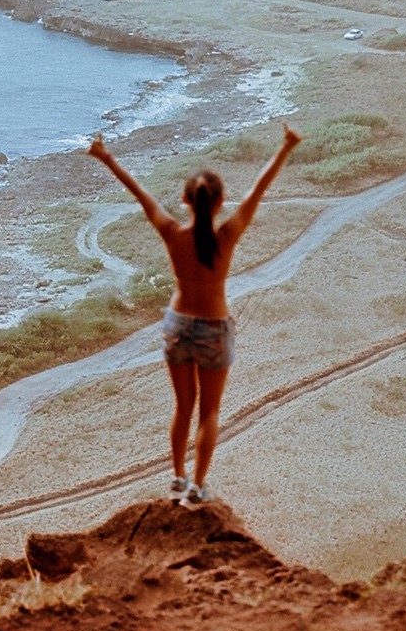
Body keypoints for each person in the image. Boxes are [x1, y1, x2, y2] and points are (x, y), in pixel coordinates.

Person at [87, 125, 301, 505]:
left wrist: (107, 158)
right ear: (220, 203)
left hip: (177, 325)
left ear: (186, 199)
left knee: (183, 407)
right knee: (210, 411)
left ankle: (177, 477)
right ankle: (198, 488)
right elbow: (257, 191)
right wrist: (286, 147)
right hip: (215, 329)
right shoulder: (228, 235)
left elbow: (140, 193)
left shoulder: (171, 232)